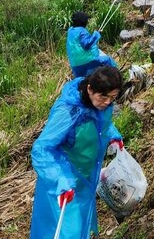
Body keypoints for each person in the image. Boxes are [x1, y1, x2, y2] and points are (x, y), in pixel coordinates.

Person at [30, 66, 124, 239]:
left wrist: (112, 134)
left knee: (80, 225)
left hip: (84, 178)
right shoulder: (68, 112)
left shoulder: (100, 105)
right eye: (103, 96)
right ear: (89, 89)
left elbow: (101, 123)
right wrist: (60, 179)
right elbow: (41, 149)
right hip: (63, 184)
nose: (108, 102)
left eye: (113, 97)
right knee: (65, 230)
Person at [66, 11, 118, 78]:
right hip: (86, 62)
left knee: (81, 79)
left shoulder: (70, 31)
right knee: (107, 60)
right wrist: (96, 34)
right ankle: (117, 75)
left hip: (75, 65)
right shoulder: (82, 31)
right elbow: (86, 45)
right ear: (83, 22)